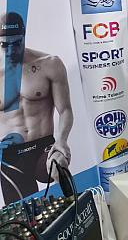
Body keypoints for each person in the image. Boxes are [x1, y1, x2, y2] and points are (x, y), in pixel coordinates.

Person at [0, 12, 73, 204]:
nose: (10, 51)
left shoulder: (49, 64)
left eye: (16, 43)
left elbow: (65, 110)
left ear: (24, 37)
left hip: (44, 147)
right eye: (4, 45)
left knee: (58, 167)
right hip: (11, 154)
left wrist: (62, 141)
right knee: (22, 214)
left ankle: (76, 210)